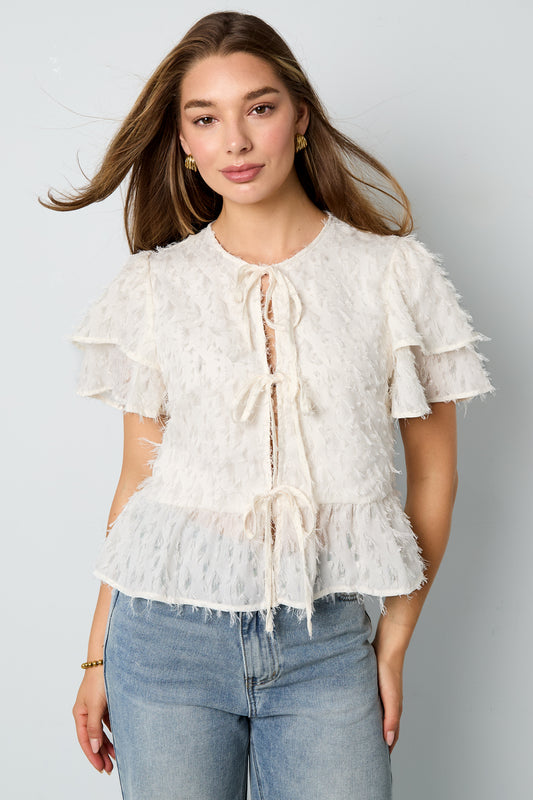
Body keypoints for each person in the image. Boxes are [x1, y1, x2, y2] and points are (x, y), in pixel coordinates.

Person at [41, 10, 495, 800]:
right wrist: (95, 654)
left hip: (325, 646)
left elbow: (433, 477)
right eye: (205, 118)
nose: (236, 141)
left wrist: (391, 642)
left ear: (301, 118)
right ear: (183, 143)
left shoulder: (392, 276)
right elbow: (137, 483)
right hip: (163, 640)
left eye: (258, 108)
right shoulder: (155, 287)